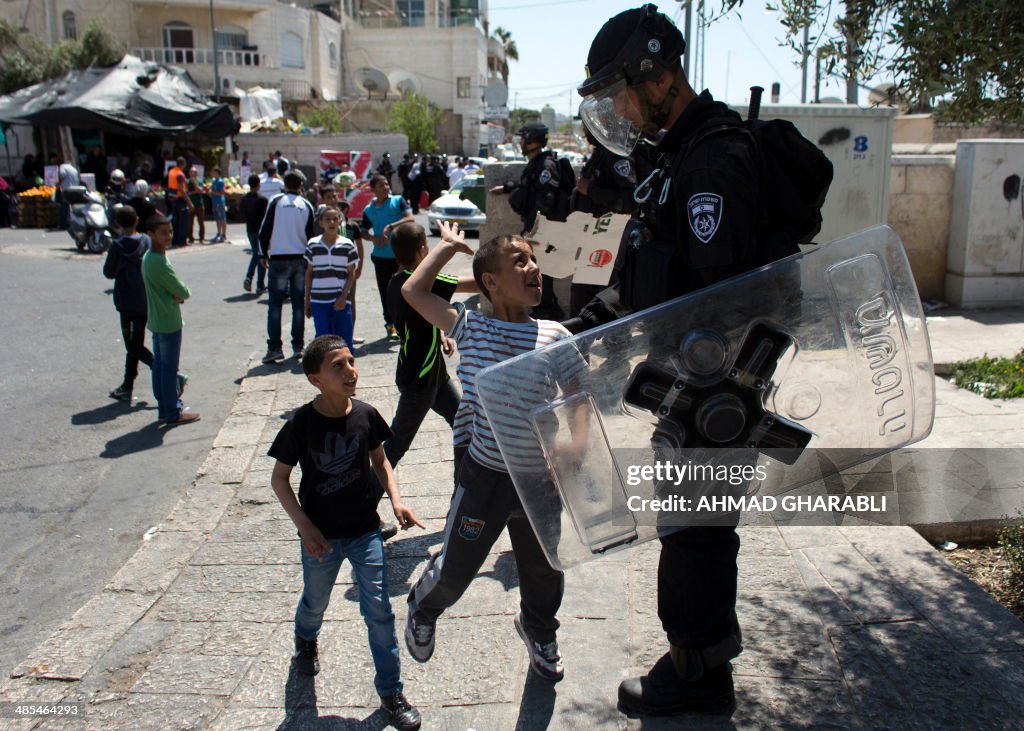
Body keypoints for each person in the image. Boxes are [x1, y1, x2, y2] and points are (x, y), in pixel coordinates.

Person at [573, 4, 810, 716]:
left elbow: (722, 295)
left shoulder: (713, 158)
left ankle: (699, 675)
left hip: (714, 386)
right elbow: (653, 271)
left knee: (696, 537)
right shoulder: (678, 153)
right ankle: (697, 659)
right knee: (690, 529)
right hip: (690, 384)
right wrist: (580, 330)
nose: (615, 107)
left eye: (620, 90)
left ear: (656, 77)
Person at [402, 221, 587, 683]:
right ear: (489, 281)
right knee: (456, 571)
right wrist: (447, 248)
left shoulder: (554, 335)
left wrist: (578, 442)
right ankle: (424, 607)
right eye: (520, 261)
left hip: (540, 479)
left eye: (534, 259)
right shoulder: (470, 327)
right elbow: (414, 291)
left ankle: (539, 630)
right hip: (484, 477)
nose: (535, 268)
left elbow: (580, 393)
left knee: (545, 570)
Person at [268, 334, 424, 731]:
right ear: (314, 379)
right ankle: (306, 638)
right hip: (320, 537)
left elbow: (381, 460)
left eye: (351, 361)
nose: (350, 370)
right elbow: (280, 479)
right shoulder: (301, 424)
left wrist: (396, 499)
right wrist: (304, 526)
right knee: (315, 602)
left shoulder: (367, 415)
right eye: (337, 365)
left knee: (380, 611)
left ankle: (391, 692)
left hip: (364, 532)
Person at [384, 222, 477, 473]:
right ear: (423, 249)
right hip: (420, 380)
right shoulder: (420, 283)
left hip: (431, 374)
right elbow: (475, 285)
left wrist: (439, 333)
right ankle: (363, 494)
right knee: (395, 446)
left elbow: (419, 316)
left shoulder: (396, 282)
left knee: (466, 425)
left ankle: (468, 482)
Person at [490, 121, 568, 319]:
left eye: (524, 138)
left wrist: (534, 229)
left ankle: (548, 311)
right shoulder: (536, 164)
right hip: (539, 229)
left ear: (533, 141)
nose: (521, 142)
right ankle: (545, 309)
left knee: (543, 273)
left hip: (545, 230)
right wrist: (507, 187)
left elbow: (545, 200)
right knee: (539, 270)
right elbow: (528, 188)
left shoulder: (546, 165)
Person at [141, 214, 199, 425]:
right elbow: (182, 290)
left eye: (170, 232)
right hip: (167, 321)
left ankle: (165, 409)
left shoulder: (151, 257)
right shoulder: (157, 261)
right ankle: (172, 411)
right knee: (168, 369)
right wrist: (178, 295)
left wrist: (177, 294)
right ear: (151, 233)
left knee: (160, 367)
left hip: (158, 319)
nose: (168, 236)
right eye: (163, 233)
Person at [259, 172, 316, 363]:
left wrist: (263, 254)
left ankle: (274, 347)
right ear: (301, 184)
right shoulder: (306, 205)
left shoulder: (276, 201)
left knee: (275, 305)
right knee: (298, 304)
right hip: (300, 259)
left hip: (278, 259)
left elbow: (264, 230)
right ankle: (298, 346)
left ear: (285, 184)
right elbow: (312, 235)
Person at [103, 205, 154, 402]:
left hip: (127, 303)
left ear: (116, 224)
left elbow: (108, 272)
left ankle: (166, 372)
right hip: (145, 300)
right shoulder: (146, 241)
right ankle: (127, 385)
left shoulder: (117, 246)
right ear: (137, 220)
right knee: (136, 343)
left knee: (133, 346)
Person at [360, 175, 414, 341]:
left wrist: (391, 226)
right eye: (381, 185)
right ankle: (391, 325)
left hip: (401, 256)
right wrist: (372, 239)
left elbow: (409, 218)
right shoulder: (369, 210)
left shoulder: (398, 201)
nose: (385, 187)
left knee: (406, 290)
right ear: (373, 190)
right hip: (380, 257)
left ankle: (408, 323)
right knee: (386, 293)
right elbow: (362, 231)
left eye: (386, 184)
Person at [304, 206, 358, 347]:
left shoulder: (347, 245)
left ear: (340, 221)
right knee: (323, 342)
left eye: (335, 218)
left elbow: (351, 273)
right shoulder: (313, 244)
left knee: (345, 341)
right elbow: (309, 273)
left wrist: (343, 296)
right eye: (327, 219)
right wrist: (307, 299)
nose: (332, 222)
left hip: (340, 301)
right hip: (318, 301)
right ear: (321, 223)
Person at [338, 199, 367, 346]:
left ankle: (350, 333)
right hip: (335, 269)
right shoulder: (333, 226)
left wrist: (360, 266)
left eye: (343, 208)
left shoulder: (352, 226)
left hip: (350, 268)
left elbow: (360, 247)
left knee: (350, 301)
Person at [241, 174, 269, 294]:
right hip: (260, 230)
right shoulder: (262, 200)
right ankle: (258, 283)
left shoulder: (244, 199)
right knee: (261, 255)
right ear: (258, 184)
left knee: (256, 254)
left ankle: (252, 280)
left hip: (250, 229)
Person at [165, 157, 193, 248]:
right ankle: (182, 241)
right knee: (183, 221)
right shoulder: (180, 174)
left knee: (175, 220)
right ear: (183, 164)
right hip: (180, 199)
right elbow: (181, 189)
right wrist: (189, 202)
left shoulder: (171, 172)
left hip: (172, 197)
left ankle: (175, 241)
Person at [57, 155, 80, 230]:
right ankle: (73, 223)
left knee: (64, 206)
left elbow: (62, 175)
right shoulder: (73, 168)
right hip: (75, 190)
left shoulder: (62, 167)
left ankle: (63, 224)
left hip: (67, 190)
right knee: (72, 207)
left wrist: (58, 184)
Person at [186, 166, 207, 244]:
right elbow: (186, 192)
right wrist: (195, 191)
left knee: (201, 222)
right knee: (190, 222)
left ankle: (202, 237)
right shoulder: (187, 182)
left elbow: (201, 190)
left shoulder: (199, 181)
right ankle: (191, 238)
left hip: (199, 204)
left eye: (193, 172)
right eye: (191, 172)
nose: (192, 174)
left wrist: (194, 183)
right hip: (190, 204)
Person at [209, 167, 228, 243]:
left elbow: (222, 192)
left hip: (220, 201)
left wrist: (213, 193)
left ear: (217, 173)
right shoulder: (213, 181)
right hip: (214, 201)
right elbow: (213, 190)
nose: (212, 173)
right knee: (217, 218)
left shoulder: (220, 181)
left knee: (222, 218)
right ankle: (219, 233)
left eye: (213, 172)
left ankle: (223, 234)